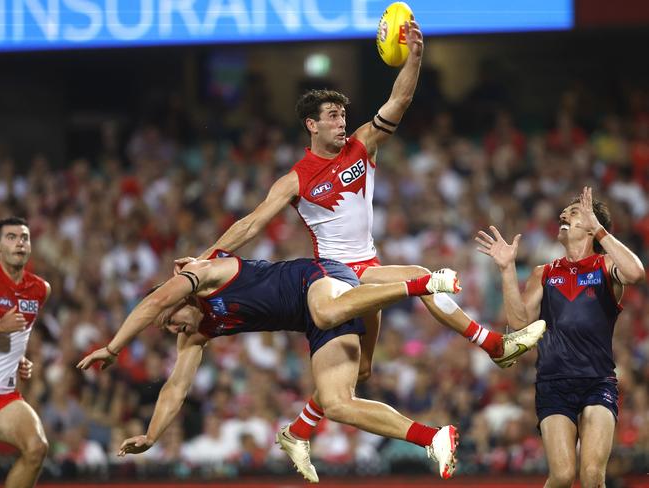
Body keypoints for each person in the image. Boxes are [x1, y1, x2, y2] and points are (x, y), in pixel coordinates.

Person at [176, 16, 545, 482]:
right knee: (421, 280)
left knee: (360, 374)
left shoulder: (362, 146)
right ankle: (495, 345)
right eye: (330, 116)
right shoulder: (295, 179)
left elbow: (402, 98)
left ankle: (297, 430)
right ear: (310, 125)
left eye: (342, 114)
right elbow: (251, 223)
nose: (340, 121)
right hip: (336, 273)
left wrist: (416, 56)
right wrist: (206, 258)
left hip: (365, 263)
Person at [76, 251, 479, 480]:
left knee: (322, 313)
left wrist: (113, 347)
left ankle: (422, 284)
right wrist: (151, 436)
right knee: (338, 402)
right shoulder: (196, 334)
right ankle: (433, 438)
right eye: (168, 329)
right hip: (317, 320)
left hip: (319, 279)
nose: (173, 328)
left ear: (177, 297)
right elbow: (176, 388)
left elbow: (151, 304)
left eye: (171, 320)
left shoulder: (204, 275)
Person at [475, 187, 645, 488]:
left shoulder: (605, 265)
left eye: (574, 212)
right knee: (564, 476)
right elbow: (518, 322)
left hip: (598, 381)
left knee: (592, 476)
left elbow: (635, 273)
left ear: (592, 226)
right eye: (564, 212)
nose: (564, 215)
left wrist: (601, 231)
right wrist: (506, 269)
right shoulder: (545, 272)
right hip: (553, 383)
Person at [0, 217, 51, 488]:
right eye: (11, 237)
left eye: (24, 237)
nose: (19, 242)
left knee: (36, 448)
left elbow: (19, 336)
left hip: (4, 396)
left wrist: (18, 358)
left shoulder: (40, 290)